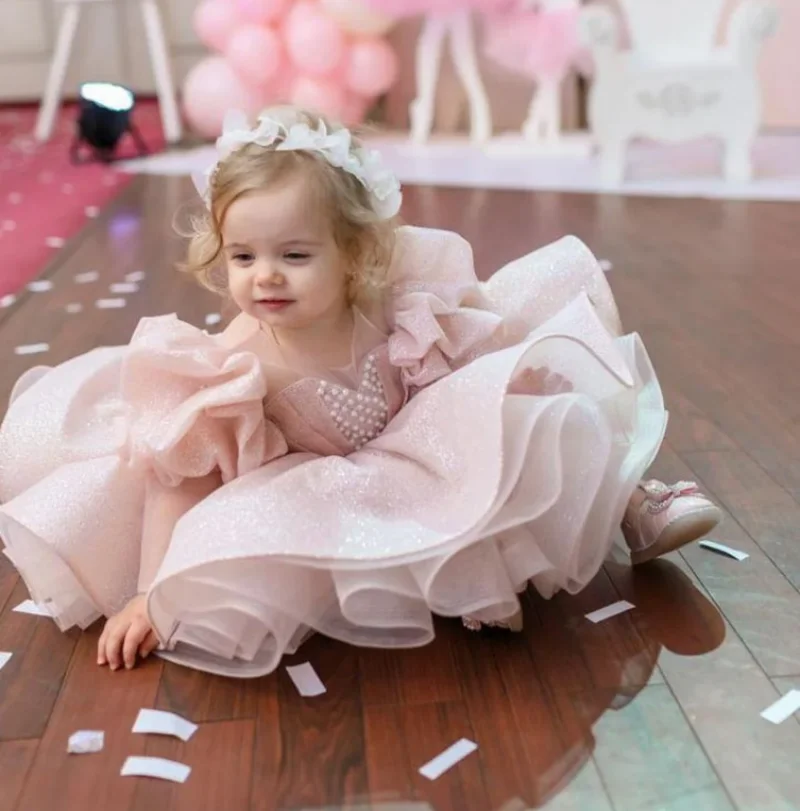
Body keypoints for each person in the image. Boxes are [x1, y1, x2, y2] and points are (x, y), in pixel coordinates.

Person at [0, 107, 721, 678]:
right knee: (327, 520)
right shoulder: (233, 364)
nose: (265, 277)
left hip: (427, 428)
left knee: (529, 389)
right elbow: (180, 482)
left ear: (353, 253)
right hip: (332, 480)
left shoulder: (391, 302)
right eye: (244, 256)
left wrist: (517, 379)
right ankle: (466, 568)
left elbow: (478, 351)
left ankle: (632, 498)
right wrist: (149, 591)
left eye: (295, 255)